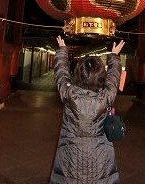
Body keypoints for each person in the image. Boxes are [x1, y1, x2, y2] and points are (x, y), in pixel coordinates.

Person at [49, 35, 125, 184]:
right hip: (101, 157)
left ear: (79, 75)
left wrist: (62, 51)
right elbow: (114, 78)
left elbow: (61, 74)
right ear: (101, 77)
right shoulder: (107, 96)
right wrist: (114, 56)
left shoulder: (69, 95)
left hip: (70, 156)